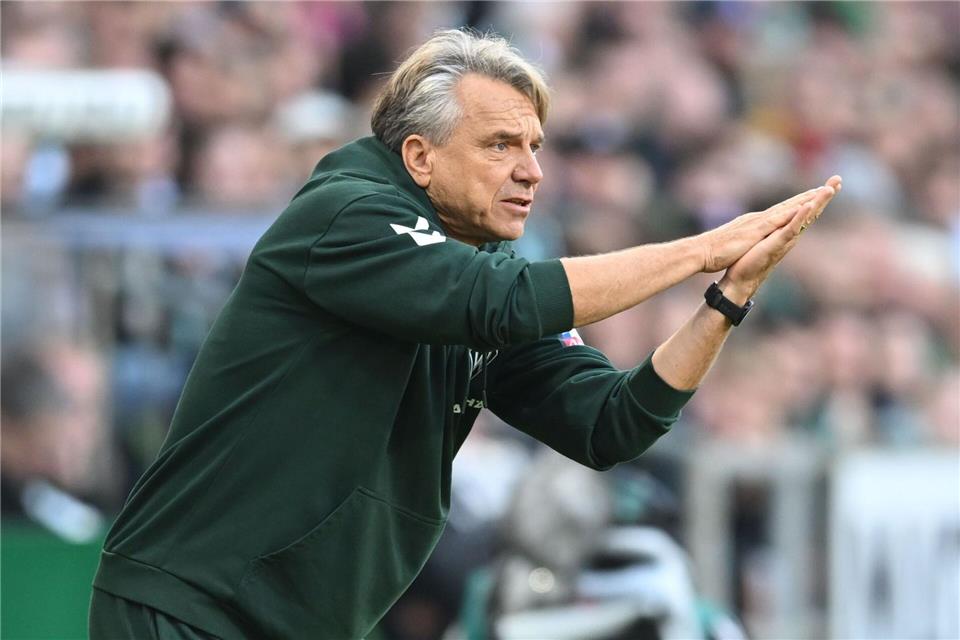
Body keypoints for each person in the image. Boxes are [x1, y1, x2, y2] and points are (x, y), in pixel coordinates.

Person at [89, 29, 840, 639]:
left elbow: (615, 423)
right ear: (419, 156)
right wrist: (700, 247)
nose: (532, 171)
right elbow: (495, 304)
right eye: (500, 145)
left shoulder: (488, 265)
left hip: (296, 621)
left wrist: (727, 294)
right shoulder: (346, 212)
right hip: (189, 606)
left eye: (536, 145)